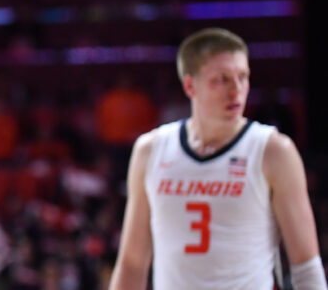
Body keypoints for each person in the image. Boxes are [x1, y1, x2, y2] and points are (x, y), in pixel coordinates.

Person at [109, 28, 327, 290]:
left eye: (243, 77)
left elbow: (306, 265)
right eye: (222, 79)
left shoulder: (273, 151)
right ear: (190, 85)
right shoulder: (151, 150)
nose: (237, 90)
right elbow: (132, 263)